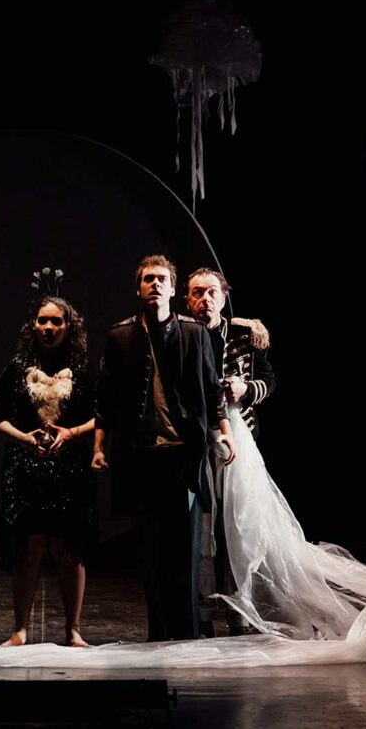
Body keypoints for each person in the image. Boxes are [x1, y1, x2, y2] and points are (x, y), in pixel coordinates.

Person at [93, 254, 235, 641]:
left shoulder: (193, 333)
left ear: (173, 290)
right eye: (148, 279)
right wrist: (99, 446)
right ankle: (158, 632)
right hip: (141, 457)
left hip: (183, 455)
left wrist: (223, 431)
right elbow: (105, 396)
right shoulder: (120, 336)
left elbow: (212, 389)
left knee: (185, 549)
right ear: (139, 289)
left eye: (161, 279)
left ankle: (186, 633)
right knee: (151, 550)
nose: (155, 284)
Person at [0, 295, 96, 647]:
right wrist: (23, 439)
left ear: (69, 327)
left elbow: (103, 415)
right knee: (28, 547)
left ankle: (73, 629)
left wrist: (72, 433)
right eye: (42, 321)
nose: (48, 327)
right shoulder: (16, 369)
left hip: (70, 467)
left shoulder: (83, 371)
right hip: (24, 469)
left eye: (56, 321)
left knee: (69, 547)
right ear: (32, 325)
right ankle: (20, 629)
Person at [186, 267, 276, 636]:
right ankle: (203, 613)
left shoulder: (244, 335)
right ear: (186, 299)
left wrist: (246, 389)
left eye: (212, 292)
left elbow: (269, 381)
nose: (204, 299)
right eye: (197, 292)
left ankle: (239, 610)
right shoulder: (182, 333)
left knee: (239, 527)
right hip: (195, 439)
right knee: (202, 529)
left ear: (224, 297)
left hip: (238, 438)